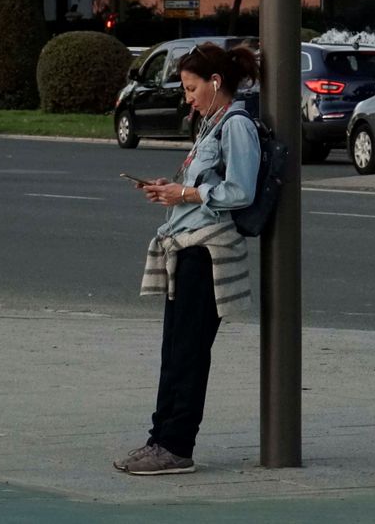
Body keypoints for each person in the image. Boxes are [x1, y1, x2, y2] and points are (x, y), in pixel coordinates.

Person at [114, 42, 259, 477]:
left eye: (192, 87)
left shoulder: (236, 125)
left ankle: (177, 445)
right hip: (186, 247)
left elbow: (241, 190)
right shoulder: (210, 125)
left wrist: (187, 194)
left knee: (189, 352)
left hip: (207, 253)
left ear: (216, 83)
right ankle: (160, 438)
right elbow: (201, 186)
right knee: (173, 351)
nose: (188, 97)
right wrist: (170, 189)